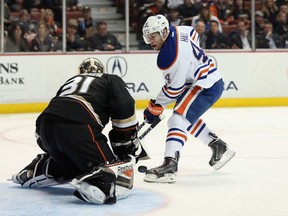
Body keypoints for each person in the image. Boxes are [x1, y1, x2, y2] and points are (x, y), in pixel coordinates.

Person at [11, 57, 148, 204]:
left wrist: (48, 147)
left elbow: (49, 117)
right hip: (79, 125)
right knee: (111, 169)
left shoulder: (71, 81)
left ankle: (42, 167)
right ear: (101, 71)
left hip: (46, 126)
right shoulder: (109, 79)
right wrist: (126, 144)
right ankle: (99, 183)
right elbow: (124, 105)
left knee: (74, 161)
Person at [141, 14, 236, 183]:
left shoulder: (168, 56)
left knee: (178, 119)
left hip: (205, 85)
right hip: (208, 80)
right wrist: (191, 65)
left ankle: (170, 165)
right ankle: (218, 146)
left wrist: (155, 106)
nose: (150, 41)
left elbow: (173, 90)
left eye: (153, 36)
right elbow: (193, 34)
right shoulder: (178, 30)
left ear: (163, 32)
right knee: (187, 117)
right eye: (148, 37)